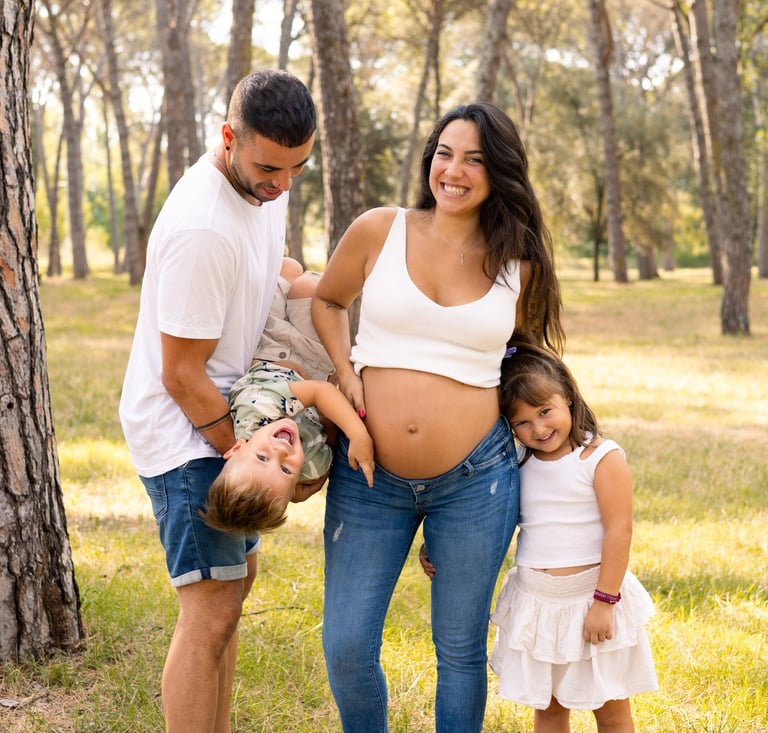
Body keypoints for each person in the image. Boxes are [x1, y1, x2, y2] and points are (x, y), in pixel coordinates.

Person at [310, 101, 565, 733]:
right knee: (345, 645)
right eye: (445, 153)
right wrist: (346, 376)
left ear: (498, 172)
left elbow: (523, 359)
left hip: (477, 481)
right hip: (369, 477)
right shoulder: (379, 229)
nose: (455, 170)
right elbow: (328, 301)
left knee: (458, 650)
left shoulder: (519, 264)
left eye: (475, 159)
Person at [118, 70, 316, 733]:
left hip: (228, 414)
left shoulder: (263, 189)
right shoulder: (203, 226)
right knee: (208, 612)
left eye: (296, 168)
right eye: (269, 166)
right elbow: (180, 372)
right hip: (189, 430)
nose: (282, 182)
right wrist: (245, 447)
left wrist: (324, 290)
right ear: (228, 137)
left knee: (232, 593)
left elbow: (272, 266)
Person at [485, 341, 658, 731]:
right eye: (522, 423)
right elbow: (493, 520)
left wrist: (604, 602)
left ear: (567, 397)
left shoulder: (600, 458)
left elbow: (619, 530)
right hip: (537, 604)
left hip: (591, 600)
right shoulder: (517, 462)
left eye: (545, 412)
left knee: (611, 711)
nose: (539, 429)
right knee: (548, 709)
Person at [202, 265, 375, 536]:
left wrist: (358, 434)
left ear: (236, 449)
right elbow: (328, 432)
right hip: (311, 356)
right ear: (295, 486)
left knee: (286, 268)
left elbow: (322, 393)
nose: (280, 451)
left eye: (261, 456)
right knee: (310, 287)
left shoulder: (256, 414)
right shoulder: (312, 466)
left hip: (270, 343)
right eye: (284, 469)